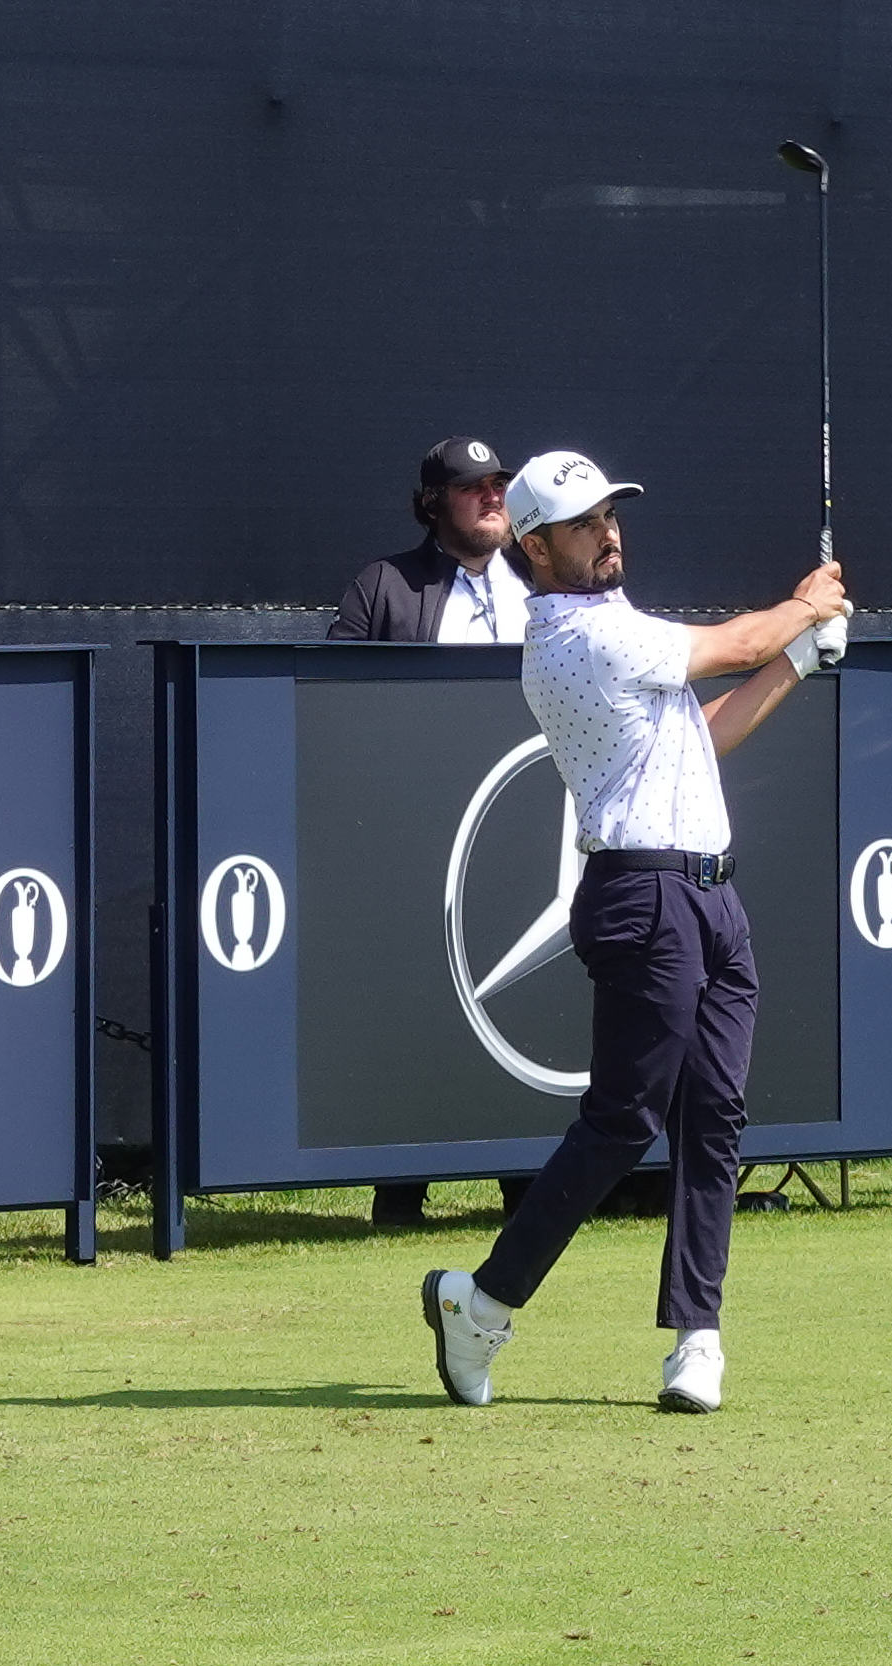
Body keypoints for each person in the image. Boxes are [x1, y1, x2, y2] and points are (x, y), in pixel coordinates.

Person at [421, 449, 849, 1413]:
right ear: (535, 547)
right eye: (583, 524)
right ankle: (482, 1306)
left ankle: (697, 1338)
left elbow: (711, 726)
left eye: (612, 516)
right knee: (624, 1120)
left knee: (717, 1118)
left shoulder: (621, 630)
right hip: (642, 896)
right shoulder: (574, 638)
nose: (608, 533)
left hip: (712, 897)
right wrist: (805, 607)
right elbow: (734, 644)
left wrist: (799, 655)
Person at [328, 434, 539, 1228]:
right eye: (472, 487)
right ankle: (401, 1190)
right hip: (420, 855)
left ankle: (528, 1188)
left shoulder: (548, 584)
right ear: (432, 503)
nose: (491, 497)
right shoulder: (385, 587)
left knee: (526, 1002)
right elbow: (336, 707)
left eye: (498, 485)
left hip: (526, 843)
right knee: (421, 1014)